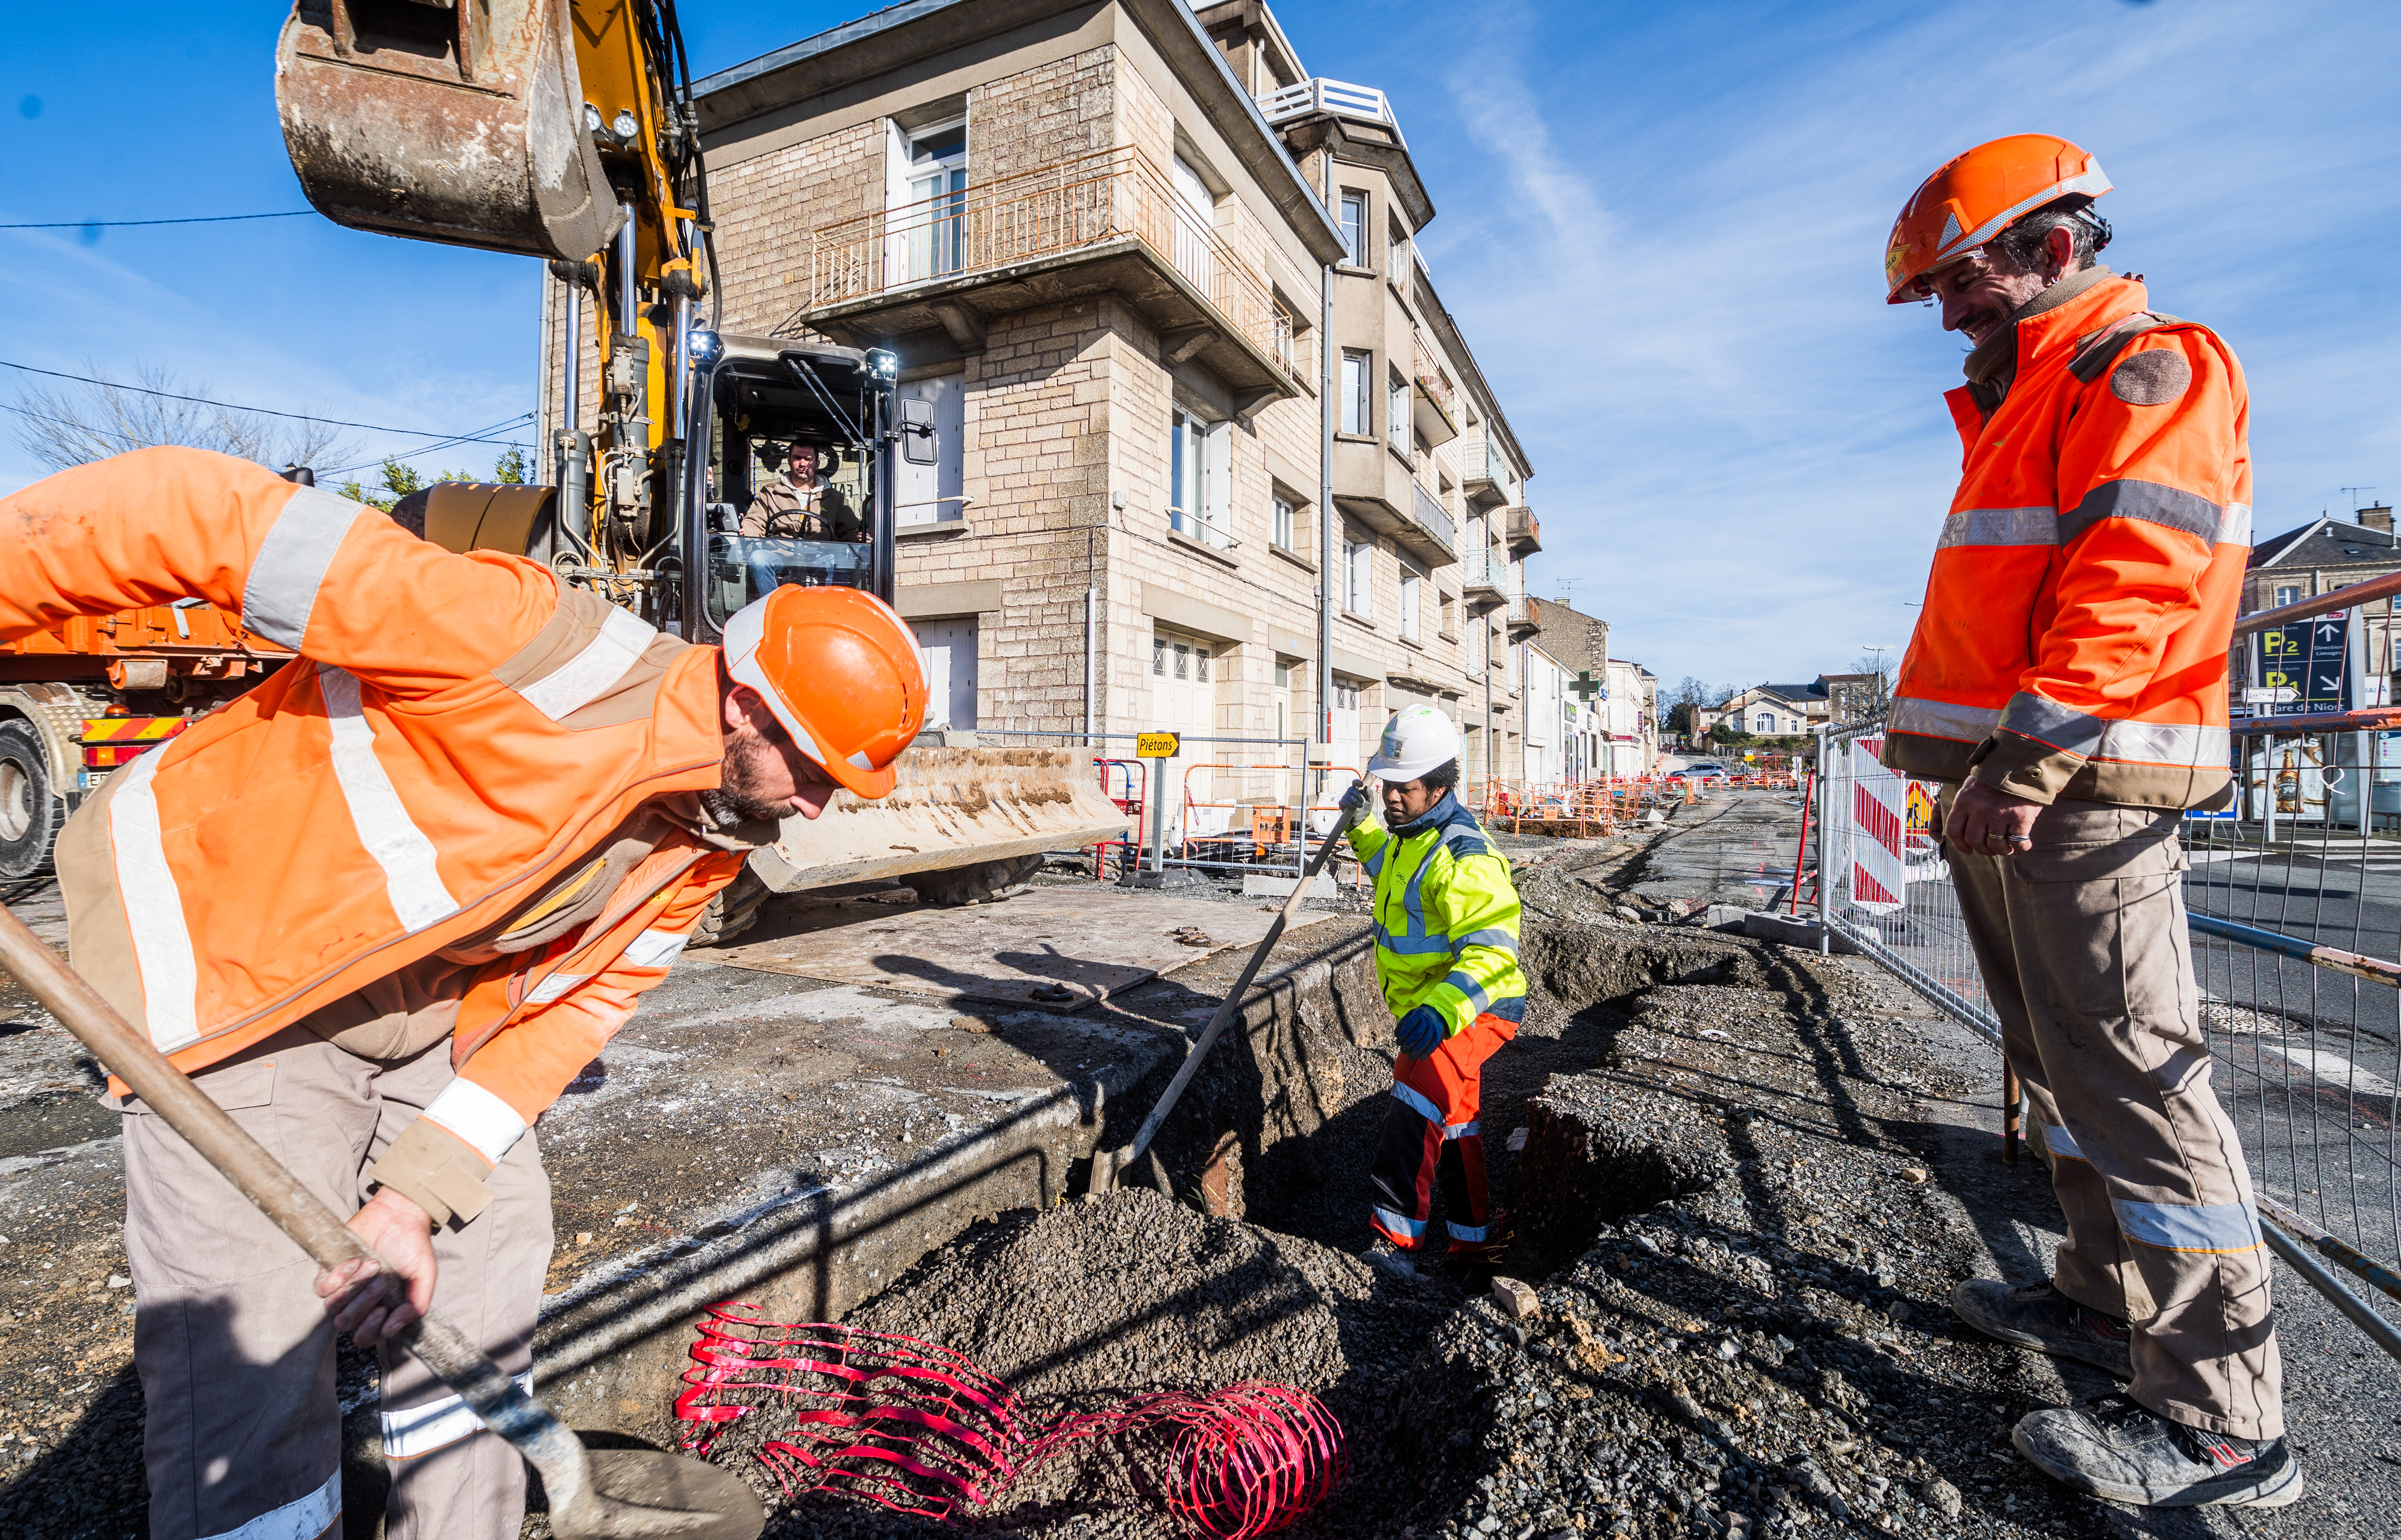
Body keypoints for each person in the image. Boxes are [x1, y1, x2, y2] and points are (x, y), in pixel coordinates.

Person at [0, 446, 928, 1540]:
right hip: (235, 962)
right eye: (813, 775)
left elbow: (575, 1015)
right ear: (744, 705)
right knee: (259, 1320)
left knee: (489, 1244)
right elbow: (201, 512)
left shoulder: (708, 843)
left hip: (425, 1007)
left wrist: (412, 1199)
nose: (817, 811)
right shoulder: (518, 640)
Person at [1880, 136, 2290, 1508]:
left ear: (2053, 250)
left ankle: (2225, 1424)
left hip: (2078, 795)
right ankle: (2110, 1303)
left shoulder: (2146, 368)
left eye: (1958, 280)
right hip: (2018, 793)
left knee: (2137, 1082)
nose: (1944, 313)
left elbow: (2131, 591)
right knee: (2063, 1065)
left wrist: (2025, 766)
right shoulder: (2035, 392)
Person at [1337, 705, 1527, 1277]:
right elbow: (1386, 868)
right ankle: (1473, 1240)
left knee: (1415, 1104)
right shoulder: (1408, 834)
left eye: (1405, 788)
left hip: (1472, 1005)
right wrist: (1360, 823)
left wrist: (1444, 1012)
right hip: (1434, 1006)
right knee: (1458, 1116)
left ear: (1440, 785)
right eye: (1387, 786)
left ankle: (1394, 1244)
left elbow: (1494, 954)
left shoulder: (1466, 856)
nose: (1392, 796)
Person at [741, 440, 859, 542]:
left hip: (822, 558)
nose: (802, 464)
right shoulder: (770, 493)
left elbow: (850, 533)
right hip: (778, 555)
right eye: (797, 458)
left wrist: (860, 537)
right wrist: (744, 529)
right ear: (789, 460)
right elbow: (754, 524)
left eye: (808, 459)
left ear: (817, 464)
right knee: (759, 558)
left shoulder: (835, 498)